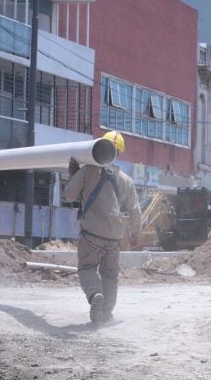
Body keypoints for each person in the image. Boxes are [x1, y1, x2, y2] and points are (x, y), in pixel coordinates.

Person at [64, 131, 141, 324]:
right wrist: (134, 233)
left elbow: (69, 196)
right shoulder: (126, 179)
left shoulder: (87, 171)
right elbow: (135, 212)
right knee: (110, 275)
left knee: (87, 268)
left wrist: (73, 174)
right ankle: (106, 312)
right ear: (119, 152)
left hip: (91, 234)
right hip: (114, 237)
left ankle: (95, 294)